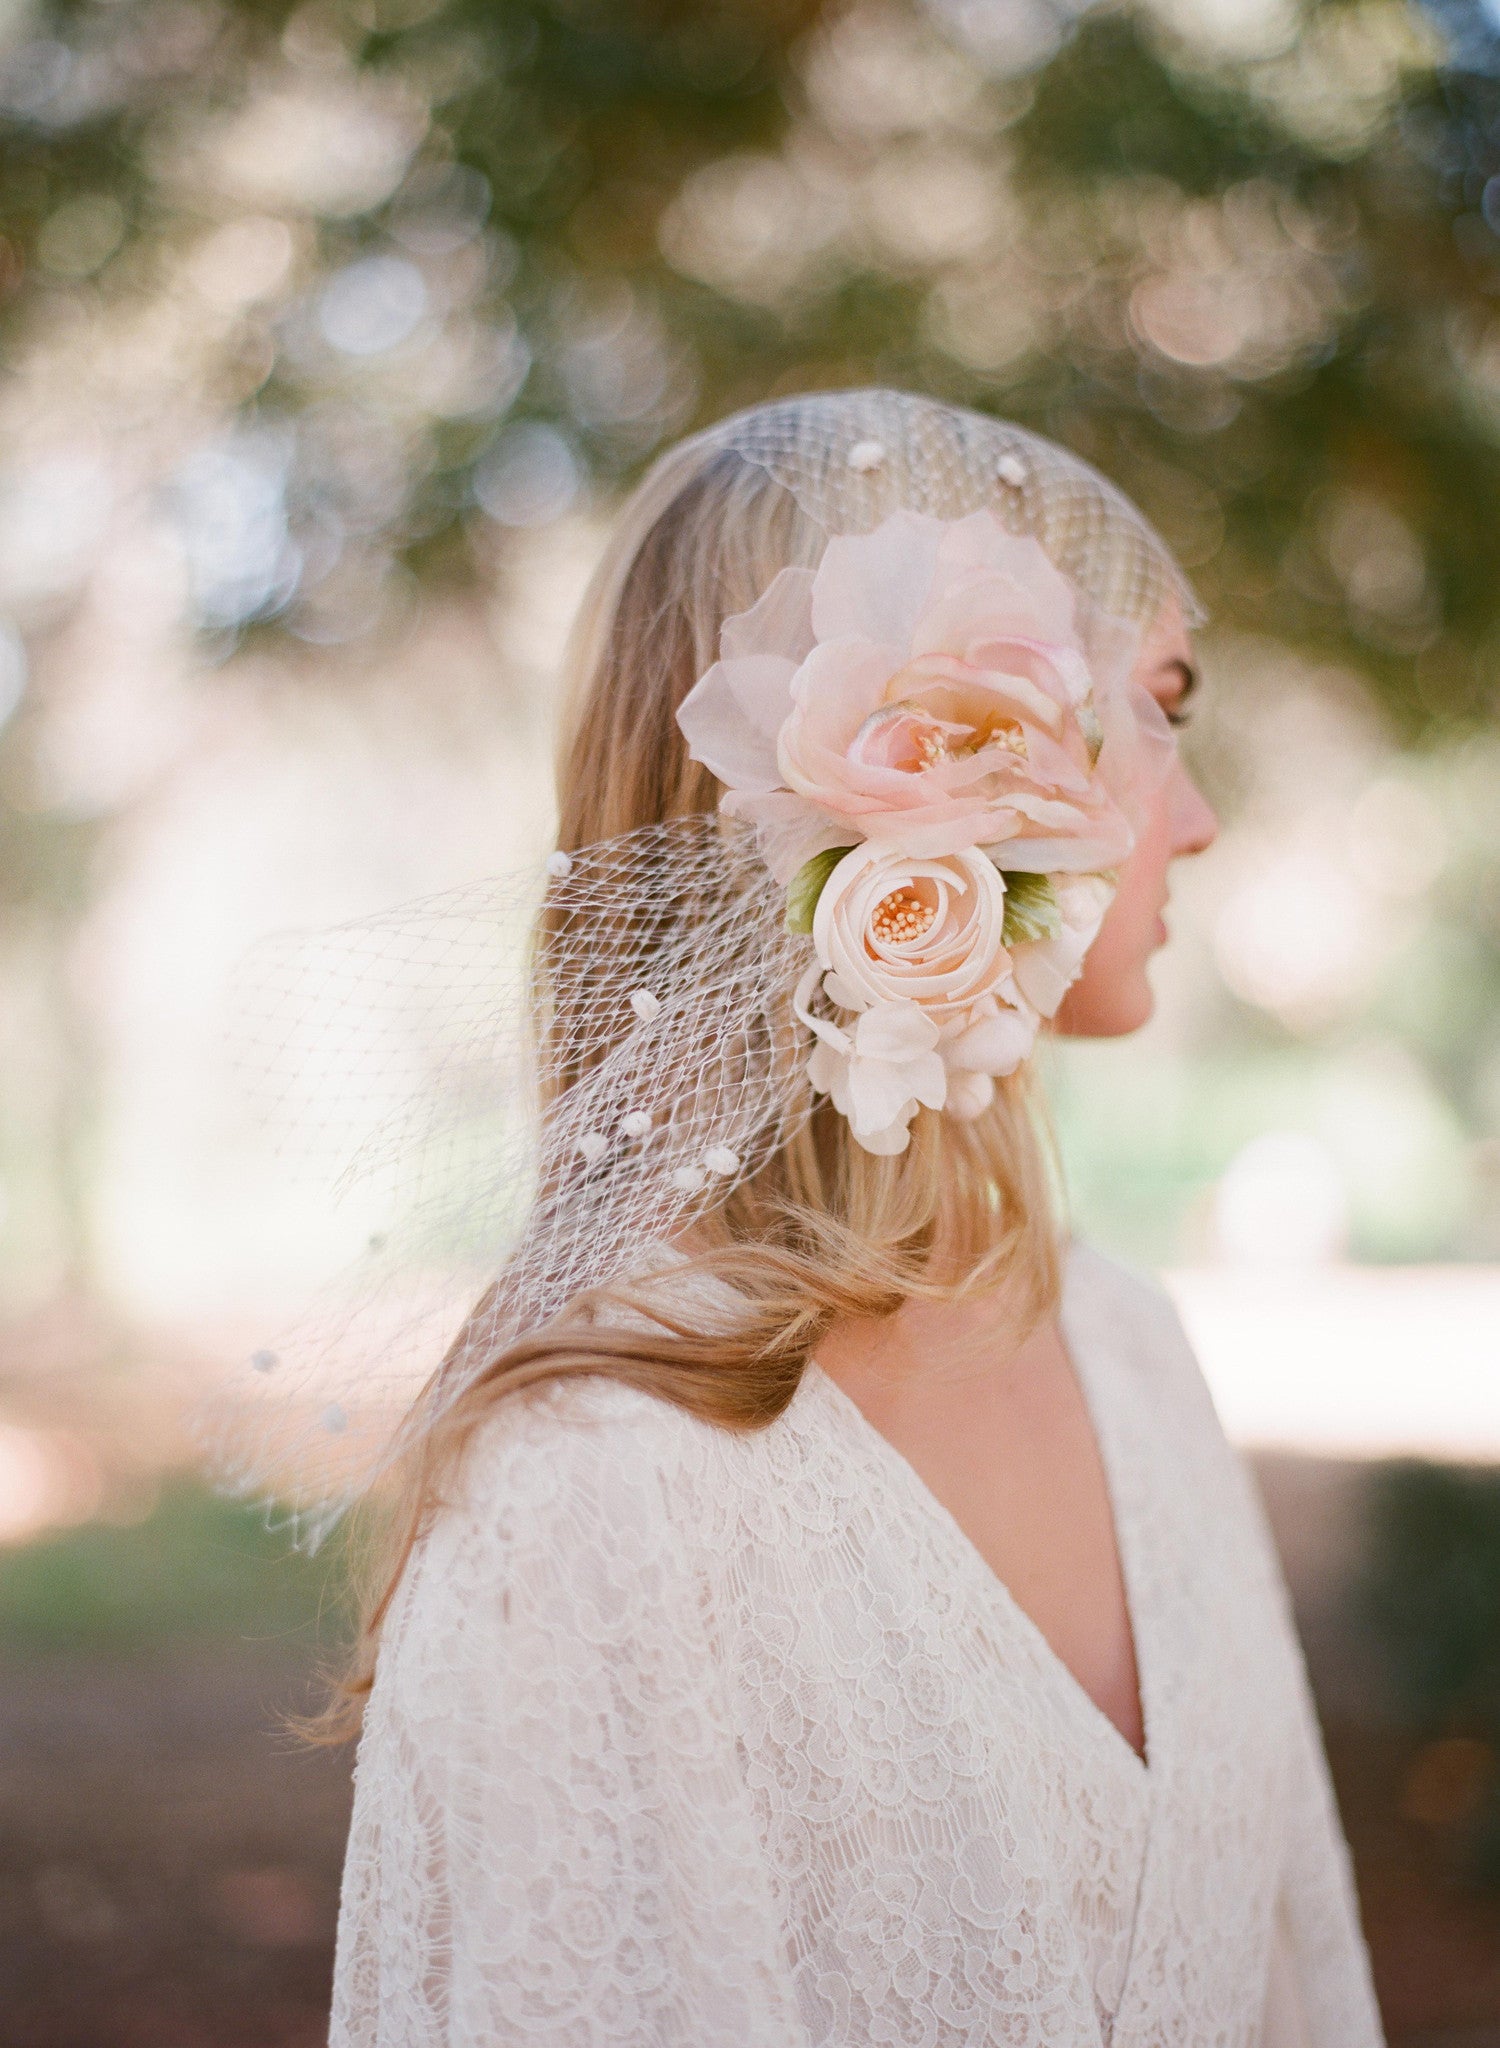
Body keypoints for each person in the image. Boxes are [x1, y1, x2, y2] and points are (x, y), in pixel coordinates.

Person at [319, 392, 1384, 2045]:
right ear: (971, 758)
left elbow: (1299, 1976)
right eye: (1162, 705)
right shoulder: (591, 1489)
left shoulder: (1128, 1345)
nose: (1200, 815)